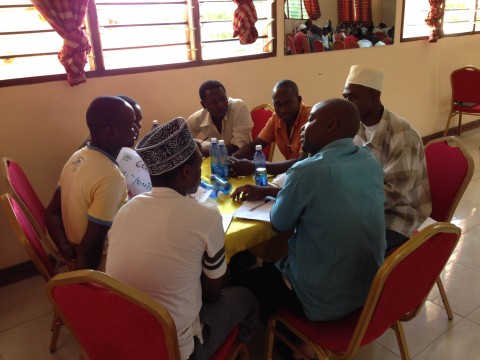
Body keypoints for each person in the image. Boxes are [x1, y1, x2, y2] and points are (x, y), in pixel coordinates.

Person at [106, 117, 258, 360]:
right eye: (199, 166)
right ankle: (231, 351)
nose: (201, 171)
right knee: (247, 298)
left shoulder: (127, 209)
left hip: (127, 338)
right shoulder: (205, 214)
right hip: (174, 348)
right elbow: (211, 295)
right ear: (186, 172)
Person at [230, 99, 386, 329]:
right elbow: (323, 196)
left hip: (320, 299)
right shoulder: (368, 160)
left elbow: (279, 223)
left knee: (240, 283)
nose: (304, 127)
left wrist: (275, 194)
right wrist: (268, 190)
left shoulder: (307, 170)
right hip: (366, 292)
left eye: (311, 119)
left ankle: (293, 342)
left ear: (331, 125)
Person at [343, 65, 432, 250]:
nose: (347, 103)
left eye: (353, 97)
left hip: (397, 215)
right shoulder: (354, 125)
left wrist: (344, 202)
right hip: (365, 205)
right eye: (345, 97)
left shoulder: (402, 135)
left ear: (374, 96)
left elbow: (392, 194)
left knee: (346, 248)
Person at [45, 96, 136, 270]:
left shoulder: (77, 157)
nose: (135, 130)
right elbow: (92, 249)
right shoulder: (111, 177)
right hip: (104, 265)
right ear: (111, 131)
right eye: (130, 125)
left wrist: (66, 249)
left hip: (78, 256)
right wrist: (85, 287)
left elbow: (51, 213)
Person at [230, 80, 311, 176]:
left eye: (288, 103)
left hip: (310, 176)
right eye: (278, 105)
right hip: (293, 175)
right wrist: (232, 160)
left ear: (299, 100)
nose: (283, 109)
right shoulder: (276, 118)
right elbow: (254, 146)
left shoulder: (310, 118)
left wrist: (255, 167)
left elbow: (303, 162)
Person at [187, 80, 253, 156]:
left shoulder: (238, 106)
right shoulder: (198, 118)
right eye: (214, 102)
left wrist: (204, 153)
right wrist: (193, 144)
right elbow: (182, 140)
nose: (220, 105)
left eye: (223, 99)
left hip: (242, 161)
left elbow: (239, 145)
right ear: (203, 104)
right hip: (218, 162)